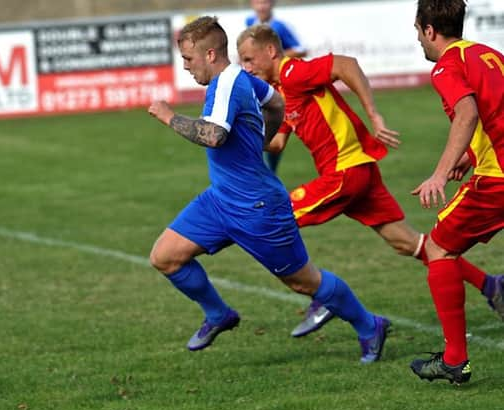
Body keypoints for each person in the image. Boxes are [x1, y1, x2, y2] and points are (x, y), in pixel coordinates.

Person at [148, 16, 390, 364]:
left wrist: (170, 117)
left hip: (258, 208)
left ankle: (370, 326)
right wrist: (260, 140)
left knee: (305, 282)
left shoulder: (227, 85)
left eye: (188, 59)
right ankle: (219, 314)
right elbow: (276, 102)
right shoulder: (243, 80)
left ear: (211, 54)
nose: (185, 66)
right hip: (220, 200)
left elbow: (214, 135)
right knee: (165, 256)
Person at [236, 25, 503, 340]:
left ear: (270, 52)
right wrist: (240, 134)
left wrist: (374, 115)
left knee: (273, 219)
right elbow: (277, 143)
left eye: (249, 59)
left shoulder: (294, 71)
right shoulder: (282, 90)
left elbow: (345, 64)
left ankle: (323, 296)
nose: (246, 68)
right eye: (242, 62)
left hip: (345, 172)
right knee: (412, 244)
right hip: (359, 172)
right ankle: (491, 285)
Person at [407, 0, 504, 385]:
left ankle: (454, 359)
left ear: (430, 30)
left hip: (498, 178)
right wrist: (469, 152)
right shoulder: (487, 54)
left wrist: (439, 174)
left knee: (438, 249)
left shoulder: (447, 65)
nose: (418, 39)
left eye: (418, 30)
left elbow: (468, 113)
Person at [245, 0, 308, 174]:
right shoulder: (249, 23)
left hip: (279, 86)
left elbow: (301, 48)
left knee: (274, 128)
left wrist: (271, 57)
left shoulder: (279, 27)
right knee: (258, 125)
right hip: (260, 85)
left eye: (265, 2)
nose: (261, 7)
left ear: (272, 4)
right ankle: (264, 173)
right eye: (258, 2)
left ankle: (269, 172)